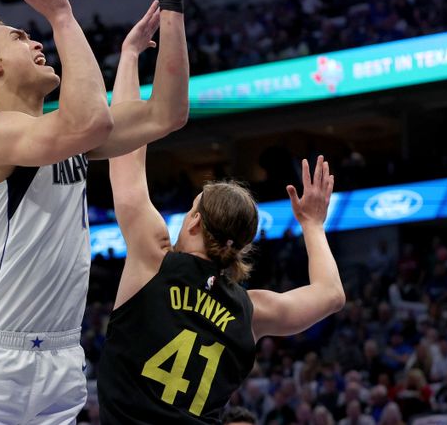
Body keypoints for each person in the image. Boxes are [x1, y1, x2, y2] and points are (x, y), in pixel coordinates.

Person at [0, 0, 192, 424]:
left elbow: (167, 114)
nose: (37, 42)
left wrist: (171, 6)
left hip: (62, 362)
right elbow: (89, 121)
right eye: (19, 38)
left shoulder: (62, 136)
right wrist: (60, 12)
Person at [96, 27, 345, 422]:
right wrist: (313, 224)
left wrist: (128, 57)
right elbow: (331, 295)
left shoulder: (153, 261)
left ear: (194, 221)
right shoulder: (252, 310)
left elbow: (126, 153)